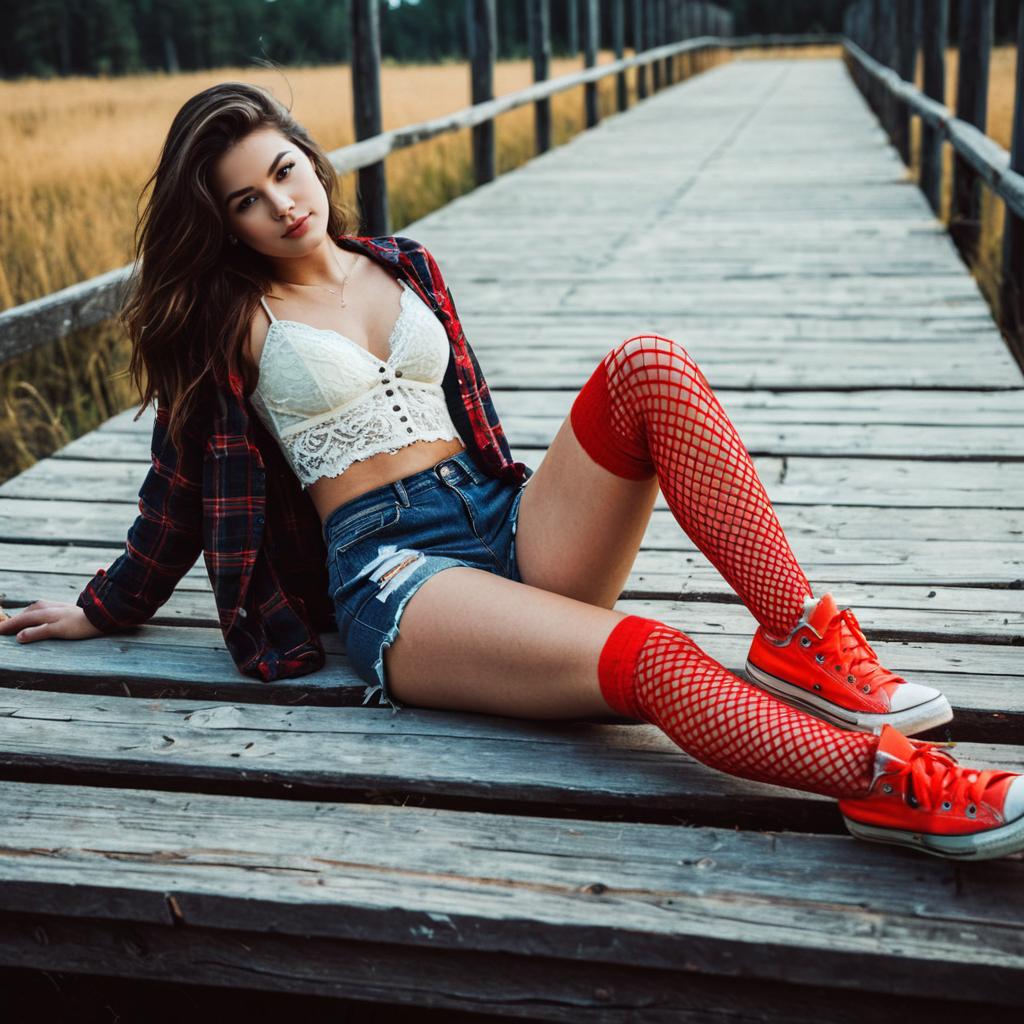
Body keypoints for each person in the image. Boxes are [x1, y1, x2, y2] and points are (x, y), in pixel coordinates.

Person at [1, 82, 1021, 862]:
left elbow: (473, 421)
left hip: (498, 512)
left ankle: (801, 638)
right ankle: (894, 781)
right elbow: (182, 489)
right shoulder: (231, 321)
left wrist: (537, 500)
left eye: (285, 171)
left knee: (649, 364)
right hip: (397, 573)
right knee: (656, 657)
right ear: (223, 223)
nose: (280, 203)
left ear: (311, 161)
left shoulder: (406, 265)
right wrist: (106, 604)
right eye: (246, 200)